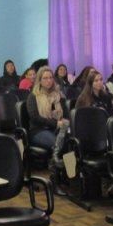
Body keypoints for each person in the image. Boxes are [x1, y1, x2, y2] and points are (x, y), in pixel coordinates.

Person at [26, 66, 69, 194]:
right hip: (38, 130)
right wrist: (55, 123)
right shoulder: (33, 96)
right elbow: (35, 118)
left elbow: (66, 114)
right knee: (57, 144)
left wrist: (64, 121)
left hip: (58, 128)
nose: (48, 81)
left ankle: (67, 176)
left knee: (70, 142)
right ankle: (55, 181)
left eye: (50, 78)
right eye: (45, 78)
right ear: (39, 80)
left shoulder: (58, 95)